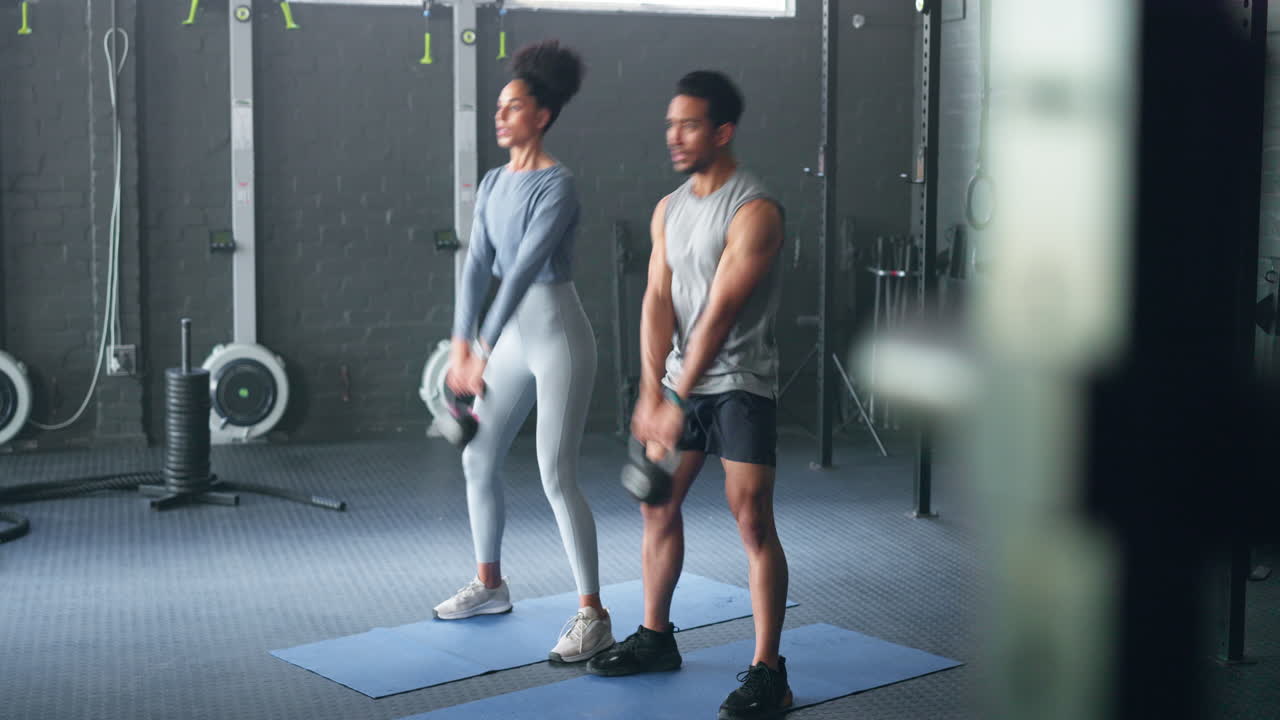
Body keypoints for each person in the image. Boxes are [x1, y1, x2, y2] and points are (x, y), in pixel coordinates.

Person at [585, 71, 791, 720]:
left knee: (750, 518)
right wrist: (652, 390)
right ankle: (655, 637)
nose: (674, 136)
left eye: (689, 124)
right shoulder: (668, 209)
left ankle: (769, 672)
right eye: (670, 123)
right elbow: (657, 300)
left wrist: (673, 400)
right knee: (657, 506)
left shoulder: (755, 210)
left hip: (739, 385)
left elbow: (720, 314)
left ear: (722, 131)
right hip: (678, 382)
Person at [433, 39, 614, 665]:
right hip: (508, 343)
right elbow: (477, 265)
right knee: (478, 459)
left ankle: (594, 614)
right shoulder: (491, 183)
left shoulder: (557, 186)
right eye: (499, 108)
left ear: (541, 116)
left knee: (555, 477)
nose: (500, 116)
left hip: (558, 338)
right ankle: (490, 585)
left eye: (512, 108)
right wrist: (463, 346)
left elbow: (523, 272)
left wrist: (480, 347)